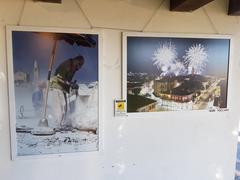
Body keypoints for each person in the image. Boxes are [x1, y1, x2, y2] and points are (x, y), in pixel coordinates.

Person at [48, 55, 84, 129]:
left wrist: (71, 84)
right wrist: (69, 84)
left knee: (64, 107)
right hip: (56, 87)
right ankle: (57, 125)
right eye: (79, 64)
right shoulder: (67, 64)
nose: (79, 67)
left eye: (80, 66)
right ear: (76, 61)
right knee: (58, 108)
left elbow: (67, 80)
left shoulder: (73, 68)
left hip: (61, 88)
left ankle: (61, 124)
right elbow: (59, 77)